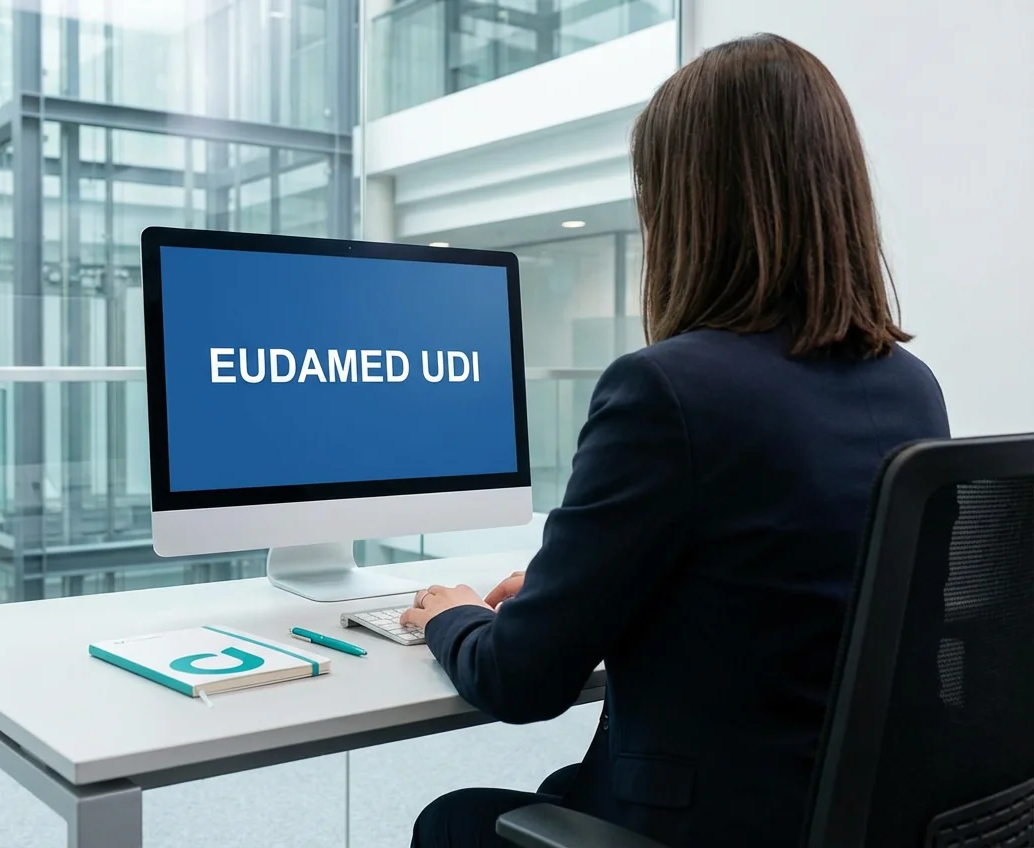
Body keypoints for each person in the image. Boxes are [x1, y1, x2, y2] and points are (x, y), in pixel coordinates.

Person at [401, 33, 950, 848]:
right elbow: (777, 586)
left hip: (714, 822)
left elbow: (519, 681)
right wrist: (571, 587)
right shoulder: (910, 386)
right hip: (845, 815)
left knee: (454, 822)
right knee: (553, 793)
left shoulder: (668, 390)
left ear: (686, 205)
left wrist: (451, 618)